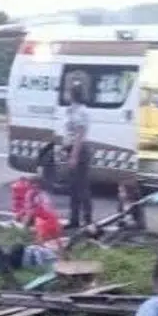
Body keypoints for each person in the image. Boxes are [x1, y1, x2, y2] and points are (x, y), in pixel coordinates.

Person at [60, 83, 92, 229]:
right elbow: (69, 132)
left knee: (82, 186)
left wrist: (74, 155)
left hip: (79, 150)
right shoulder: (71, 110)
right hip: (71, 148)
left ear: (72, 94)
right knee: (73, 187)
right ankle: (74, 219)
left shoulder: (81, 112)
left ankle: (87, 219)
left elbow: (80, 134)